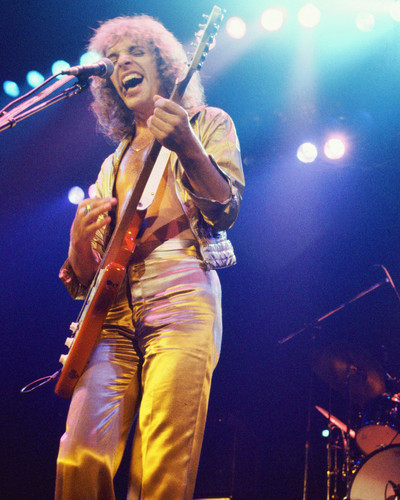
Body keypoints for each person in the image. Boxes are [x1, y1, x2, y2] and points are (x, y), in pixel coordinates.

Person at [55, 14, 244, 500]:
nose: (121, 64)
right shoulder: (112, 162)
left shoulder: (208, 122)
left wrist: (188, 147)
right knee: (79, 455)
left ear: (165, 65)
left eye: (135, 53)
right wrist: (77, 246)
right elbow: (88, 280)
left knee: (163, 463)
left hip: (182, 291)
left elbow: (225, 210)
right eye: (112, 59)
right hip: (113, 311)